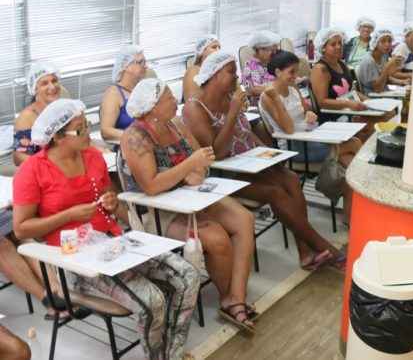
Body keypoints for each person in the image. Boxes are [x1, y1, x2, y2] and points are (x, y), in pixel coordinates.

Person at [13, 99, 200, 359]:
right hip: (74, 260)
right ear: (57, 137)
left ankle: (172, 353)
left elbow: (105, 195)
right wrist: (67, 215)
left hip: (111, 242)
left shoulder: (92, 157)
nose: (88, 132)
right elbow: (21, 229)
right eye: (80, 129)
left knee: (188, 276)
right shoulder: (32, 170)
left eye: (86, 125)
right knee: (152, 301)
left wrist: (112, 202)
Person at [183, 51, 346, 272]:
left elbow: (247, 134)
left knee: (289, 178)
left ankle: (305, 252)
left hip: (250, 164)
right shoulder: (194, 108)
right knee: (274, 192)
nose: (236, 78)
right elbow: (217, 154)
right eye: (231, 73)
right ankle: (320, 246)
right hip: (226, 175)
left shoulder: (230, 98)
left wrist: (272, 156)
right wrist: (232, 114)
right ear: (214, 75)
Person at [121, 78, 258, 333]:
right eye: (169, 98)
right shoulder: (135, 137)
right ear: (152, 108)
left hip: (191, 195)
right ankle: (228, 298)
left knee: (244, 219)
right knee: (216, 238)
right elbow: (150, 185)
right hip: (159, 210)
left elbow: (203, 157)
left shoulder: (176, 124)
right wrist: (187, 168)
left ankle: (235, 297)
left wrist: (195, 172)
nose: (175, 101)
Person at [260, 51, 361, 221]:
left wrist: (309, 114)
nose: (296, 76)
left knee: (349, 163)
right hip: (294, 146)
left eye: (296, 71)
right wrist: (277, 100)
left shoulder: (293, 90)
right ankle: (341, 200)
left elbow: (307, 110)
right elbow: (289, 129)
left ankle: (349, 214)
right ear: (277, 72)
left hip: (310, 137)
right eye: (291, 72)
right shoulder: (267, 97)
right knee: (355, 144)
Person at [310, 28, 367, 123]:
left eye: (340, 43)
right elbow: (322, 102)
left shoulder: (341, 64)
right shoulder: (320, 69)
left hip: (346, 112)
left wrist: (370, 102)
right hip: (331, 118)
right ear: (323, 47)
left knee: (385, 116)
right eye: (333, 44)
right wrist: (348, 104)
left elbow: (352, 92)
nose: (338, 47)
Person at [13, 62, 61, 166]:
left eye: (54, 81)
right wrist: (49, 165)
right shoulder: (27, 117)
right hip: (43, 171)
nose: (52, 86)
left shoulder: (64, 108)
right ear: (35, 89)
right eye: (44, 83)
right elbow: (19, 157)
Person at [100, 45, 147, 142]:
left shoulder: (143, 89)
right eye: (141, 62)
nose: (146, 66)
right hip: (131, 147)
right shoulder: (113, 94)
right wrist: (137, 138)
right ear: (126, 66)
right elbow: (106, 131)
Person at [356, 29, 409, 93]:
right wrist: (387, 67)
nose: (387, 44)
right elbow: (377, 88)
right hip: (372, 96)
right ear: (375, 43)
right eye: (383, 41)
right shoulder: (368, 61)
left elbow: (385, 78)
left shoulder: (383, 56)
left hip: (383, 92)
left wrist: (402, 82)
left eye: (389, 41)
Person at [241, 31, 281, 105]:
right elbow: (253, 90)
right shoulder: (250, 67)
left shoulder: (275, 63)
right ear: (259, 50)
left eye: (275, 50)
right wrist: (279, 86)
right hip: (262, 105)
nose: (274, 53)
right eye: (271, 50)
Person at [183, 35, 220, 102]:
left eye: (219, 48)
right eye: (214, 47)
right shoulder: (193, 71)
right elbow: (193, 106)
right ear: (201, 51)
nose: (218, 51)